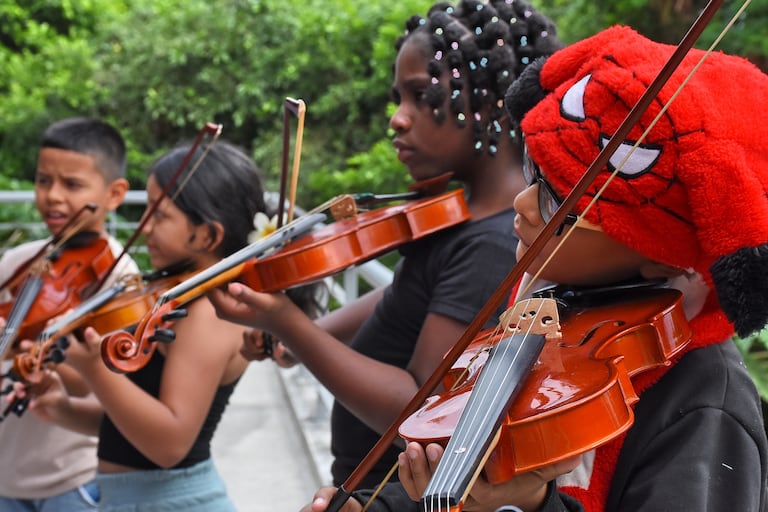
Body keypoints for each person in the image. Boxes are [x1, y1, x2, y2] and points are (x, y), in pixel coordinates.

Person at [303, 25, 768, 512]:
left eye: (557, 199)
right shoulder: (546, 312)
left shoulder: (704, 405)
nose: (523, 204)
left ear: (658, 252)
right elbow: (470, 479)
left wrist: (532, 504)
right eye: (534, 171)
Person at [207, 0, 563, 490]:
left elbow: (420, 404)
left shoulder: (495, 243)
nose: (398, 119)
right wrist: (301, 336)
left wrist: (284, 320)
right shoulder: (459, 215)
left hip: (391, 494)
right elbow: (403, 296)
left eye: (420, 96)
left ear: (487, 103)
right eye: (399, 97)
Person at [12, 139, 321, 511]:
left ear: (207, 234)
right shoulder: (180, 301)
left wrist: (94, 368)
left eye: (160, 216)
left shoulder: (210, 312)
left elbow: (170, 443)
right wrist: (64, 410)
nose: (146, 229)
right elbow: (133, 431)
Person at [0, 117, 138, 511]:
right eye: (43, 180)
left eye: (72, 185)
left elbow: (99, 385)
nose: (53, 196)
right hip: (6, 475)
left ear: (114, 194)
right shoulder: (19, 262)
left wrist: (32, 358)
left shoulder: (119, 281)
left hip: (71, 480)